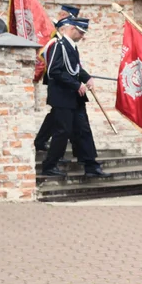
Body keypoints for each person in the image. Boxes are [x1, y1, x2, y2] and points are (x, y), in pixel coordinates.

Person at [39, 17, 107, 179]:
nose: (82, 35)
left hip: (74, 97)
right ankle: (49, 165)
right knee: (62, 132)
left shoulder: (71, 47)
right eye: (80, 32)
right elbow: (54, 71)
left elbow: (75, 69)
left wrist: (87, 77)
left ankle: (90, 164)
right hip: (62, 96)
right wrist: (76, 85)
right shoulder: (58, 45)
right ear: (71, 29)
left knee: (83, 130)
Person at [35, 6, 82, 152]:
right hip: (59, 83)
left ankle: (41, 141)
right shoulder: (57, 36)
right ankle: (49, 149)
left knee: (55, 117)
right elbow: (48, 55)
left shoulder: (63, 36)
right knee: (61, 123)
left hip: (66, 84)